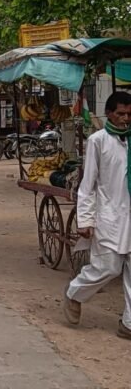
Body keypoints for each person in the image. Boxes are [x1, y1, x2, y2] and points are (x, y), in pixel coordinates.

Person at [64, 90, 131, 338]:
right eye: (121, 113)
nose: (126, 119)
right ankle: (74, 293)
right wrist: (85, 219)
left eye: (130, 114)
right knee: (108, 268)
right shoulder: (98, 141)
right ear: (109, 113)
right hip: (109, 216)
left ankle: (129, 323)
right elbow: (88, 184)